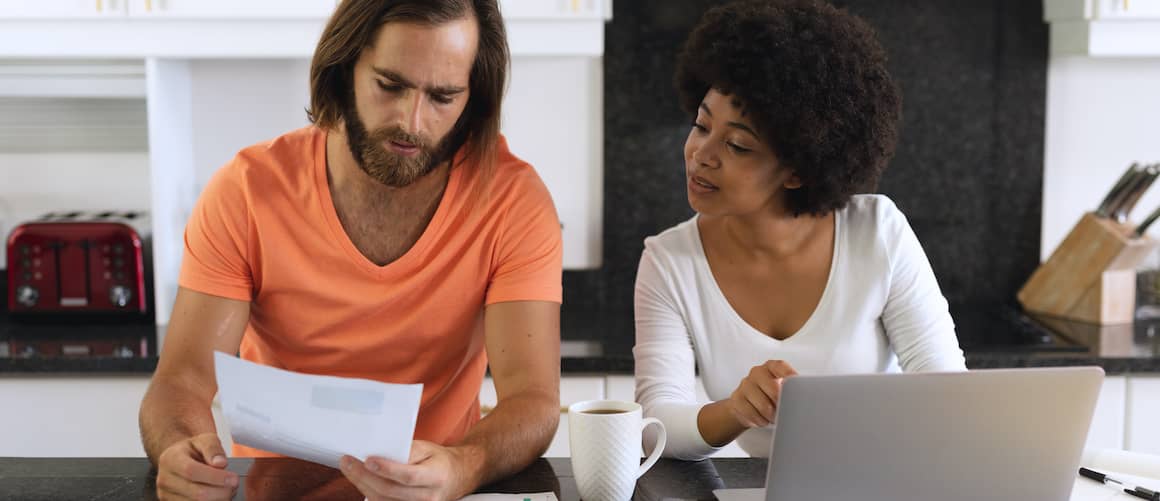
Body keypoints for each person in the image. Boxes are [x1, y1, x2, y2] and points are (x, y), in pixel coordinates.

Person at [138, 1, 564, 499]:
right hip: (276, 490)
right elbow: (183, 380)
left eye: (443, 97)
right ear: (345, 68)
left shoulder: (512, 201)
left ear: (473, 99)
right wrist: (182, 451)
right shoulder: (246, 191)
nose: (412, 121)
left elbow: (533, 399)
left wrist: (462, 467)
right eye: (390, 86)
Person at [633, 0, 967, 461]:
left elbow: (948, 391)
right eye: (701, 125)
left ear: (797, 169)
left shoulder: (878, 233)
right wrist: (735, 410)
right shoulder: (669, 262)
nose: (701, 154)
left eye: (736, 145)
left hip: (886, 479)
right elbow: (654, 427)